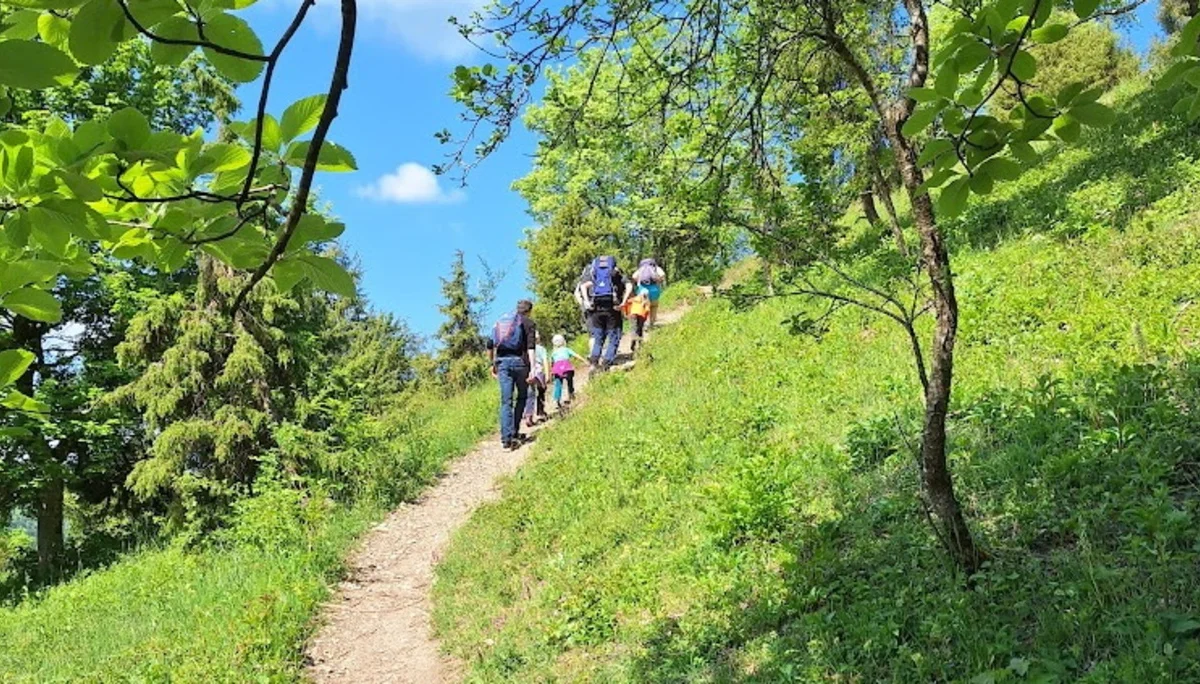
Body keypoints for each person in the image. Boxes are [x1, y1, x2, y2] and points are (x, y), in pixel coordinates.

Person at [488, 299, 537, 450]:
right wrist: (533, 368)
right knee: (522, 397)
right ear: (529, 311)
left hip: (502, 363)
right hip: (521, 363)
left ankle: (506, 439)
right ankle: (514, 432)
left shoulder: (502, 321)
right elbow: (531, 347)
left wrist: (492, 364)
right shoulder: (529, 323)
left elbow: (490, 344)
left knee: (506, 401)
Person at [579, 255, 632, 371]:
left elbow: (583, 286)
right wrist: (624, 302)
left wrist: (587, 301)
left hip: (596, 310)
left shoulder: (595, 274)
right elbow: (629, 285)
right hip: (613, 309)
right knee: (614, 336)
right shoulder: (616, 274)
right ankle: (606, 363)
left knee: (598, 337)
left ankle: (594, 363)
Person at [549, 333, 587, 409]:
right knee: (570, 381)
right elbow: (576, 355)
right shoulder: (566, 349)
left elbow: (551, 363)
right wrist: (584, 360)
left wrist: (551, 372)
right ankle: (571, 395)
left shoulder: (553, 352)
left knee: (558, 384)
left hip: (557, 369)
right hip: (567, 368)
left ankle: (556, 400)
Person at [524, 331, 550, 427]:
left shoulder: (525, 349)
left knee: (530, 393)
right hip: (539, 372)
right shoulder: (542, 349)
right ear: (538, 339)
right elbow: (545, 362)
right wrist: (548, 374)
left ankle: (528, 415)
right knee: (541, 391)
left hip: (529, 372)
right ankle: (541, 411)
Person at [632, 257, 667, 327]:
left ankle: (644, 323)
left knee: (644, 306)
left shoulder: (641, 269)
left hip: (643, 290)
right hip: (654, 290)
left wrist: (639, 281)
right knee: (654, 306)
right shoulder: (656, 268)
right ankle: (651, 323)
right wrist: (658, 281)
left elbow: (634, 276)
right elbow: (663, 275)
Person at [621, 288, 653, 353]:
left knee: (633, 328)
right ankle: (640, 344)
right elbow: (647, 310)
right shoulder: (646, 301)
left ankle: (633, 340)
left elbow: (626, 303)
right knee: (640, 329)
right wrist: (644, 319)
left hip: (633, 314)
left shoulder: (634, 299)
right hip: (641, 315)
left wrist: (626, 313)